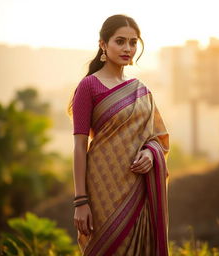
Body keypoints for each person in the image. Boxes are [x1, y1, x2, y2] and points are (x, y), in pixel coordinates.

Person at [67, 14, 170, 256]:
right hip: (102, 188)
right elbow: (80, 146)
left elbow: (159, 137)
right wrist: (80, 201)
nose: (128, 48)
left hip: (138, 187)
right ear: (103, 44)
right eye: (120, 41)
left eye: (133, 42)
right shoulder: (89, 86)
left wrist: (150, 152)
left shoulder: (141, 90)